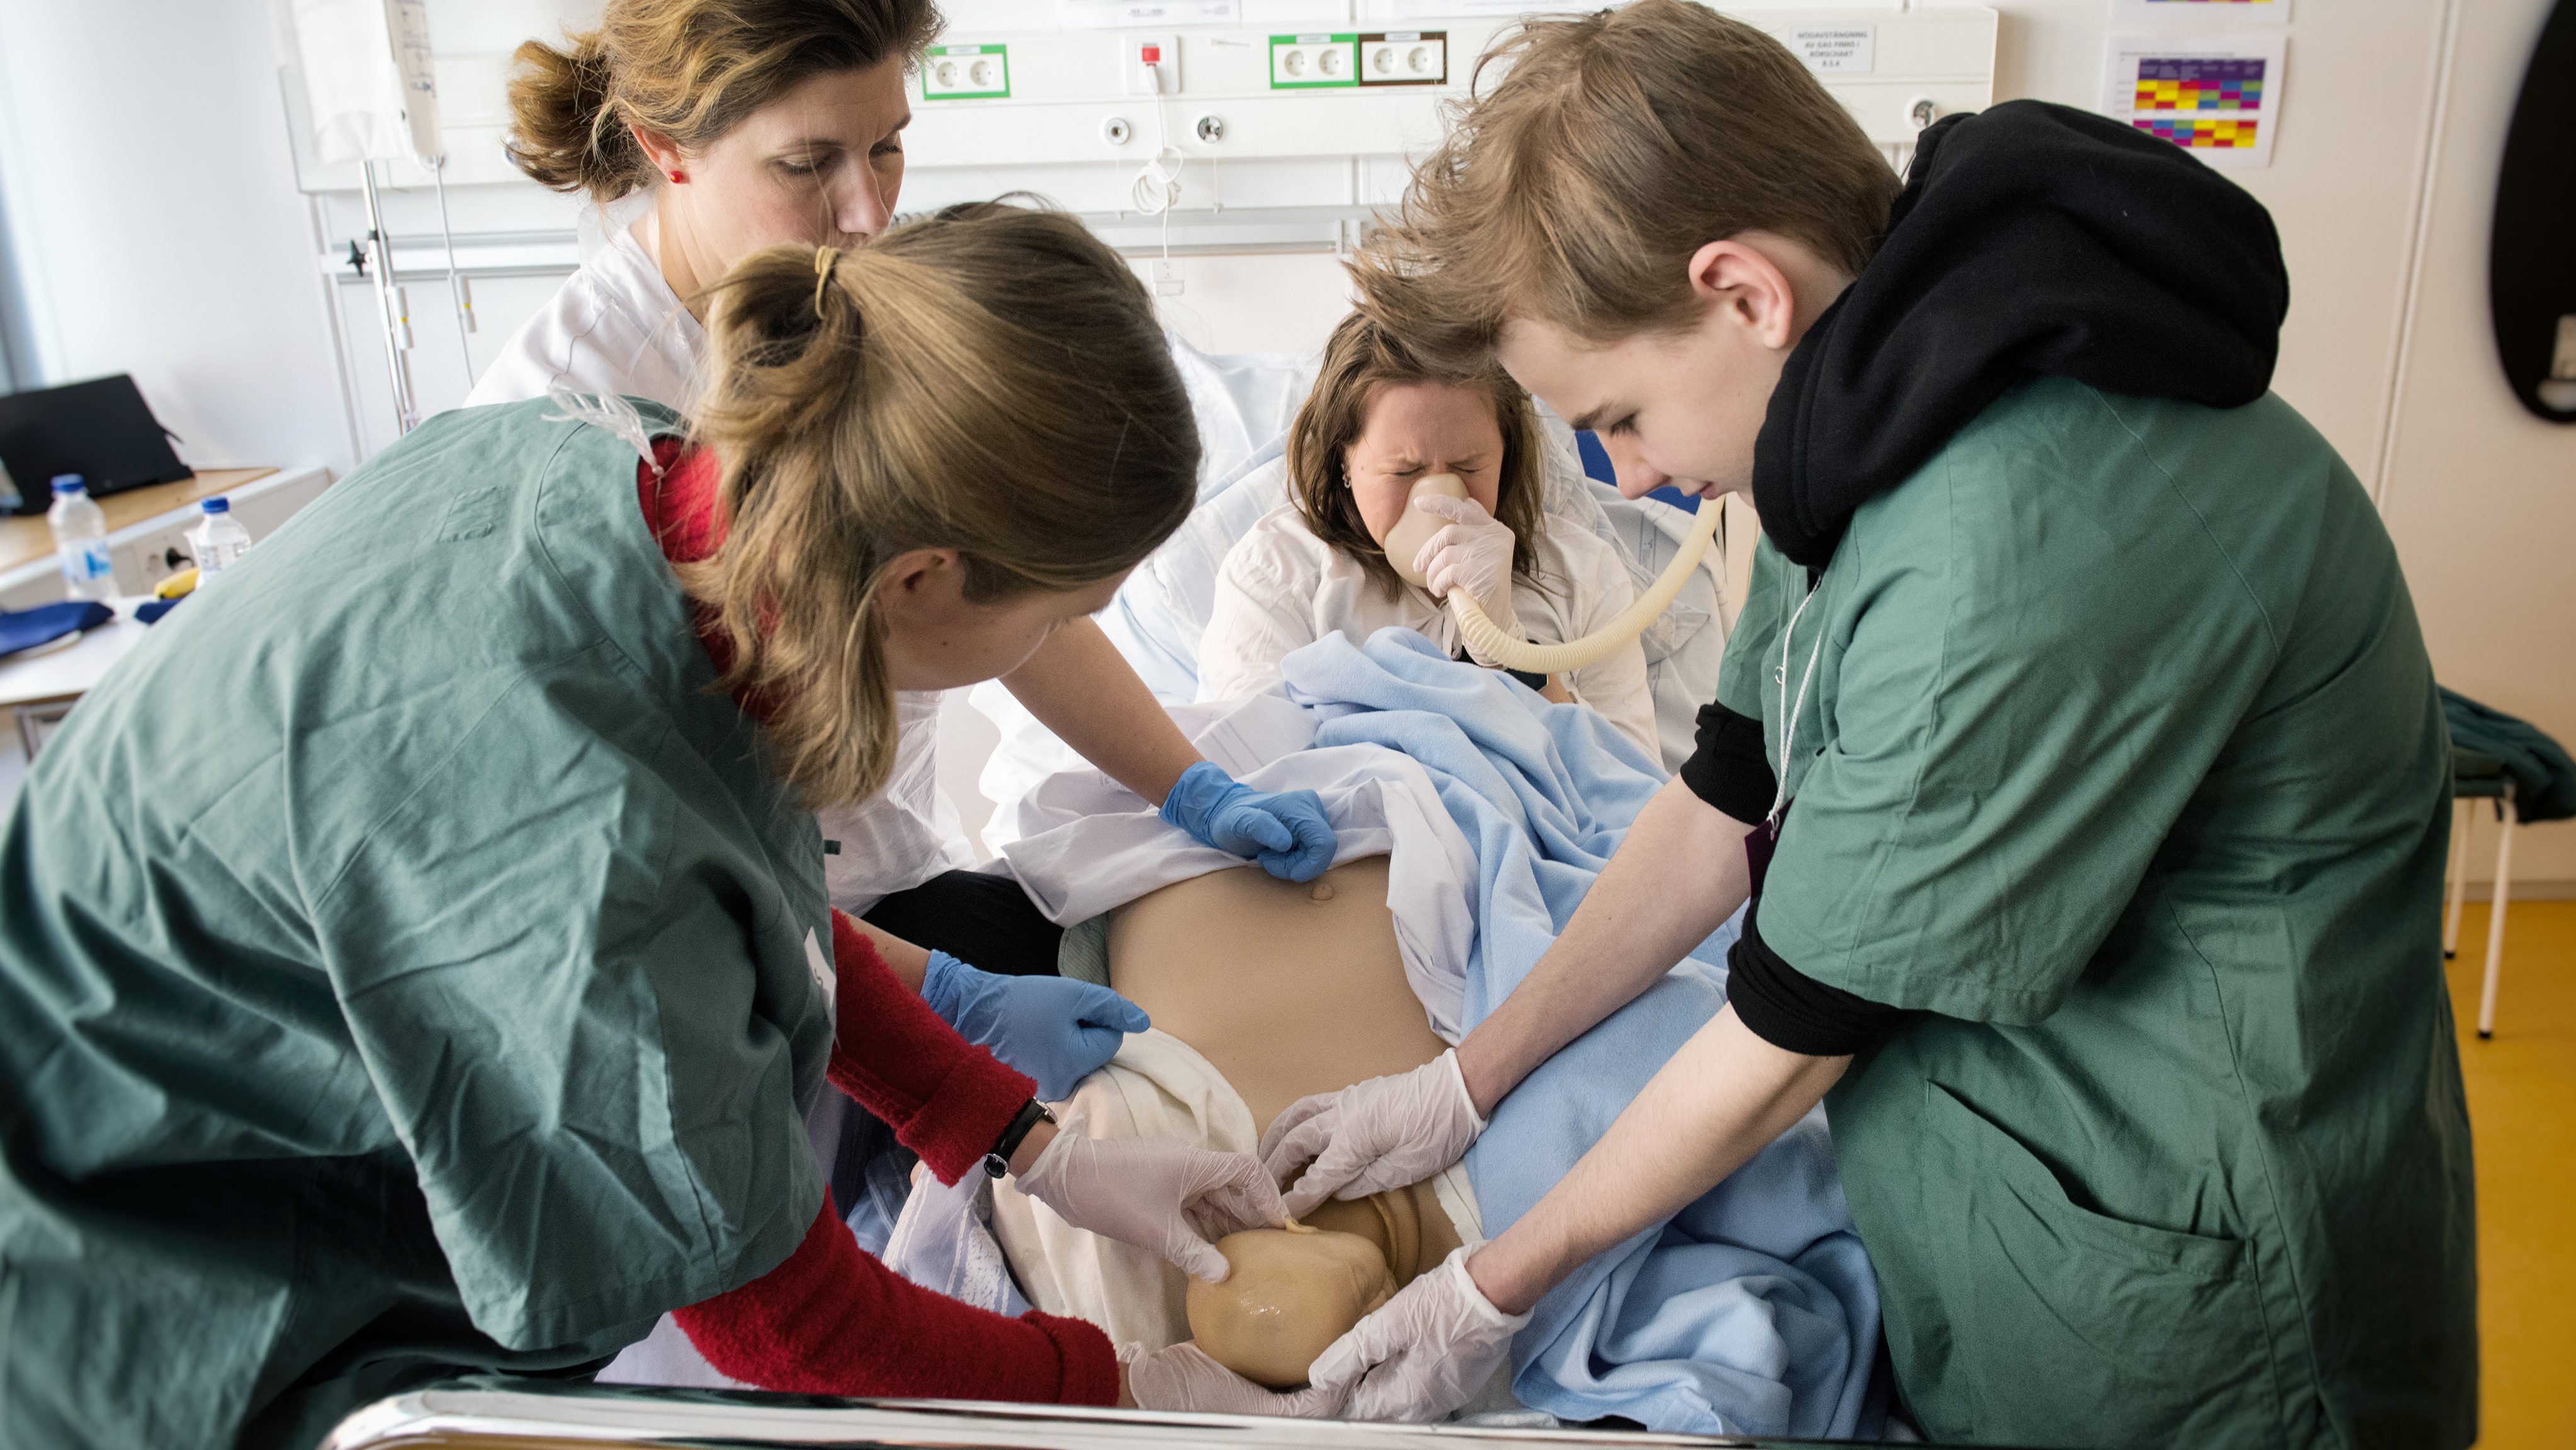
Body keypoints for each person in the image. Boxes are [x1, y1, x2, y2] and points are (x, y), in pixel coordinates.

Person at [1258, 5, 2478, 1446]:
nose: (1632, 472)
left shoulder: (2018, 519)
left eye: (1621, 414)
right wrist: (1461, 1085)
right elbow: (1732, 784)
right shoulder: (1871, 412)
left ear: (1740, 294)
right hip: (2007, 1203)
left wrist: (1491, 1287)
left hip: (2198, 1293)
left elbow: (1794, 1023)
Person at [0, 206, 1284, 1449]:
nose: (1060, 647)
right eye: (1065, 613)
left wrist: (1014, 1133)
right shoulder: (575, 829)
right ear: (921, 581)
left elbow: (738, 902)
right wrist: (1117, 1386)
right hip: (122, 1247)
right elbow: (788, 1328)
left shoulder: (656, 486)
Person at [473, 0, 1336, 981]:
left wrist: (1192, 788)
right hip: (729, 948)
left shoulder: (870, 291)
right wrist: (935, 1019)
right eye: (808, 165)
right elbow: (642, 875)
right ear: (664, 147)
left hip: (887, 882)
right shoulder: (571, 432)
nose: (867, 213)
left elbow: (1015, 588)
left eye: (887, 147)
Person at [1199, 312, 1656, 757]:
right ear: (1344, 461)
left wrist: (1513, 653)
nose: (1439, 498)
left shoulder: (1583, 572)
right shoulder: (1277, 571)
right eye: (1404, 471)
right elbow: (1251, 769)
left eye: (1468, 467)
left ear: (1507, 456)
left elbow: (1636, 792)